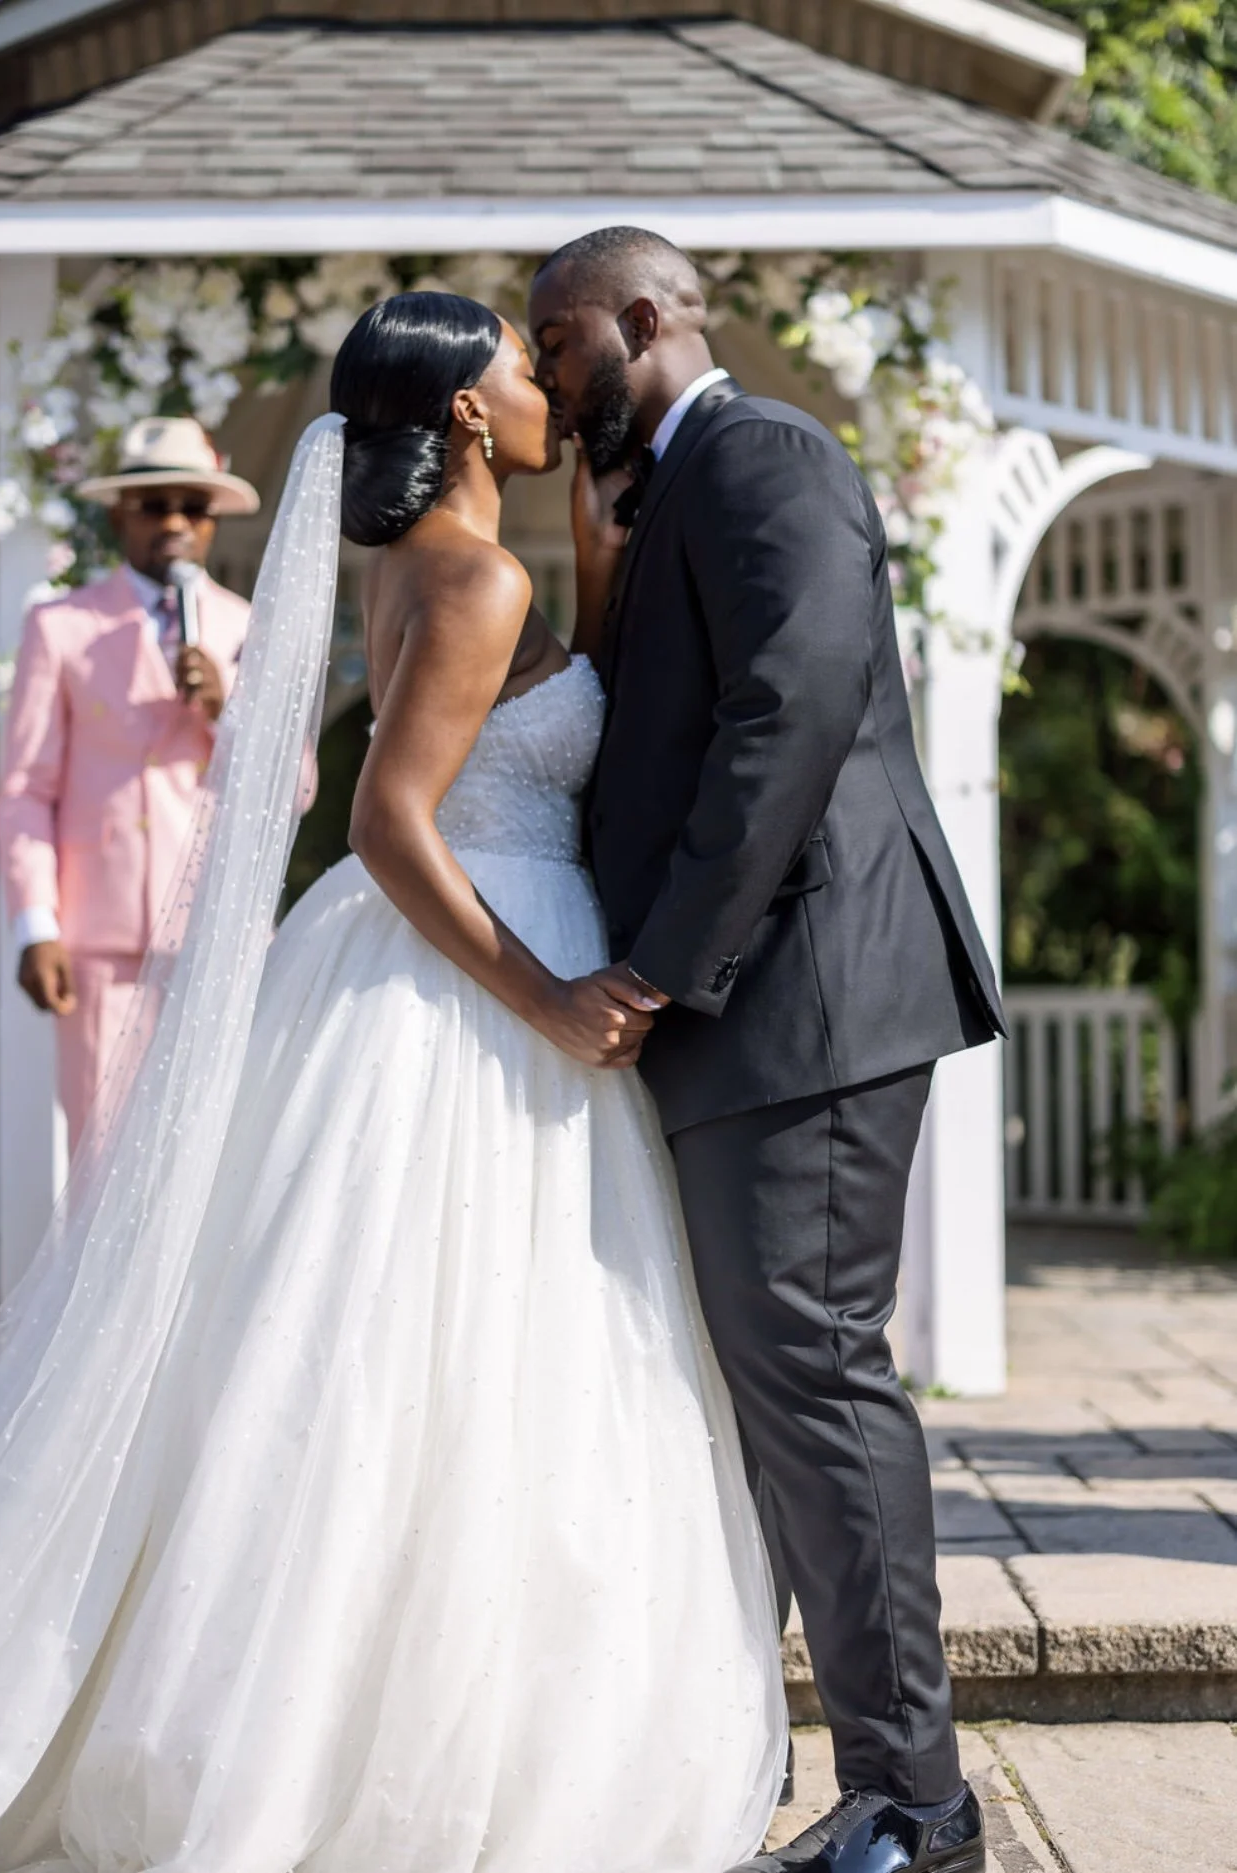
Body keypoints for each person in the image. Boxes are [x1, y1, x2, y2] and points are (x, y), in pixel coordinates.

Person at [0, 295, 785, 1873]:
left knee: (389, 1355)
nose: (548, 389)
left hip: (419, 963)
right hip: (480, 975)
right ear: (469, 413)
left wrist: (600, 567)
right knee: (468, 1353)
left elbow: (500, 733)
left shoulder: (427, 567)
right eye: (526, 372)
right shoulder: (471, 576)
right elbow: (394, 826)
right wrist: (545, 997)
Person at [529, 227, 1005, 1873]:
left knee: (813, 1368)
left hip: (803, 997)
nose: (540, 370)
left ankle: (918, 1801)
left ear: (648, 318)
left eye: (558, 335)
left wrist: (657, 965)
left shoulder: (763, 450)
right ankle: (802, 1764)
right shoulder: (663, 493)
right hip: (755, 1007)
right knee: (766, 1389)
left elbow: (793, 702)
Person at [0, 416, 259, 1152]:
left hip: (217, 935)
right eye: (153, 503)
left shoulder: (248, 629)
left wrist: (224, 704)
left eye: (193, 505)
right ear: (119, 513)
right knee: (103, 1163)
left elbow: (293, 788)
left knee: (215, 1158)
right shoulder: (62, 625)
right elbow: (25, 790)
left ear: (212, 521)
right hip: (99, 948)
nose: (174, 521)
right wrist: (35, 926)